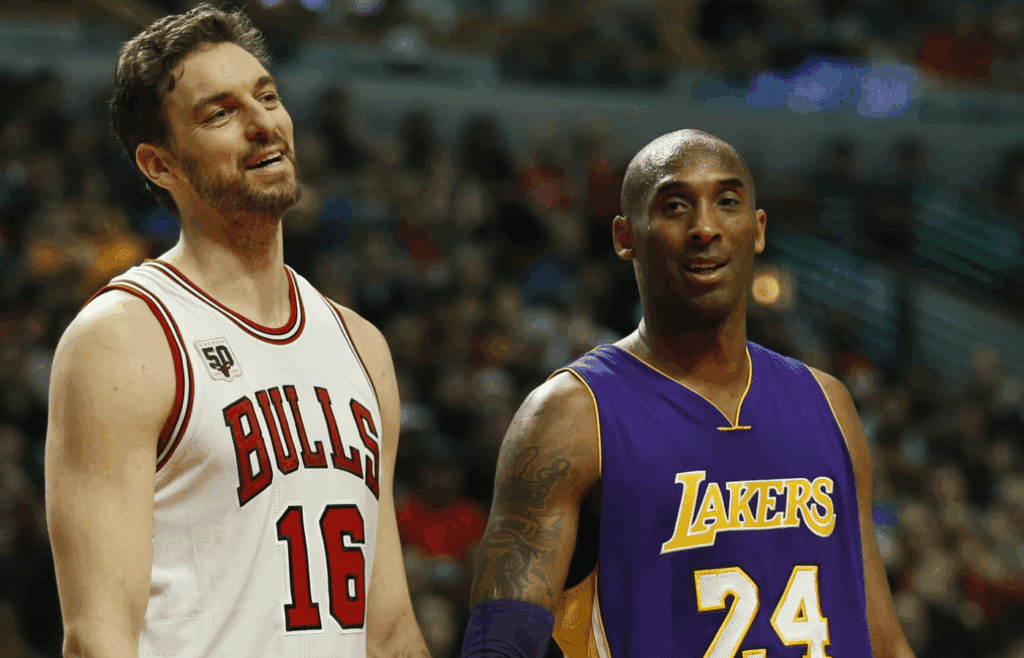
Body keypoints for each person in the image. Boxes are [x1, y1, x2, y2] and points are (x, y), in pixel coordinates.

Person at [44, 5, 429, 657]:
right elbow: (97, 634)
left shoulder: (362, 346)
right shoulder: (124, 338)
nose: (262, 124)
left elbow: (388, 629)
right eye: (219, 113)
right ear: (159, 165)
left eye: (268, 97)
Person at [464, 129, 915, 658]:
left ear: (758, 228)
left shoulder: (828, 402)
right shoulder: (569, 413)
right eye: (675, 206)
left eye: (727, 203)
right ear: (625, 236)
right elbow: (500, 642)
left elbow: (880, 635)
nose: (705, 228)